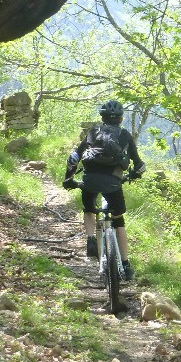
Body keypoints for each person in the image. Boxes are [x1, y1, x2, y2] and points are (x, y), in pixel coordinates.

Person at [62, 100, 146, 280]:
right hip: (114, 183)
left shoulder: (93, 133)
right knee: (118, 220)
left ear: (102, 118)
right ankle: (125, 264)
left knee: (89, 209)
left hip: (89, 180)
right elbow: (139, 166)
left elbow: (73, 157)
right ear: (121, 119)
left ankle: (91, 238)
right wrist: (133, 174)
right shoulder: (125, 136)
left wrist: (68, 179)